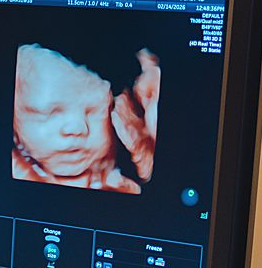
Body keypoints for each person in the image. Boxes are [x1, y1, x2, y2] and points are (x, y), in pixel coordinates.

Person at [11, 44, 158, 194]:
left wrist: (146, 158)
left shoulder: (121, 172)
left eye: (94, 111)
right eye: (50, 112)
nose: (77, 128)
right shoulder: (11, 169)